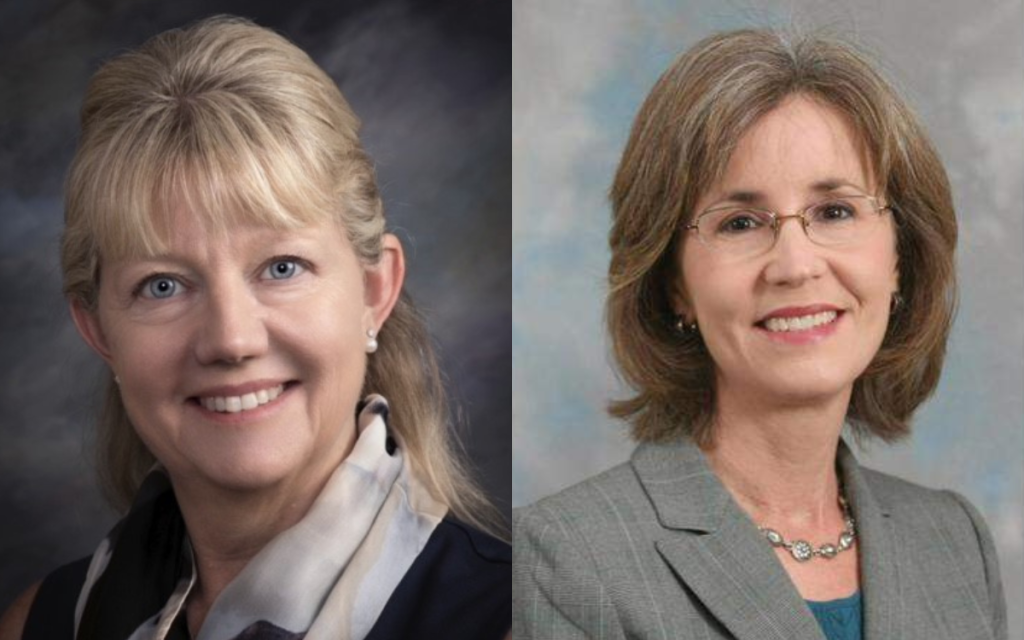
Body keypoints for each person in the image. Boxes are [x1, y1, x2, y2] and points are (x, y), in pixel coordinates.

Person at [0, 15, 509, 640]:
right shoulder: (40, 625)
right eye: (163, 285)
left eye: (281, 267)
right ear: (99, 331)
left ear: (375, 292)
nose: (232, 340)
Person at [513, 28, 1006, 640]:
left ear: (899, 258)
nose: (796, 265)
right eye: (741, 223)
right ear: (673, 285)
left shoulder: (954, 542)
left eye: (835, 211)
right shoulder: (568, 559)